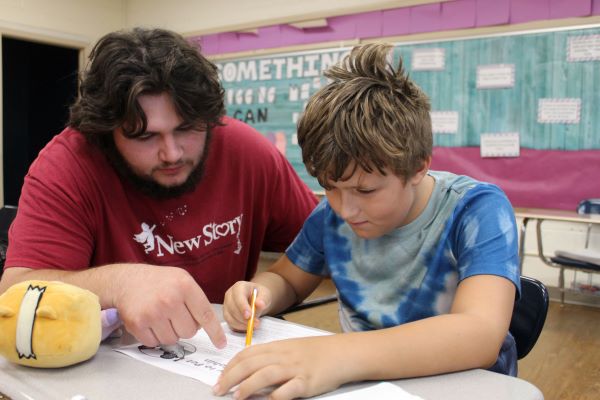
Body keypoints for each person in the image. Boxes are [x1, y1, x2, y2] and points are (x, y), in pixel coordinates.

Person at [216, 43, 520, 400]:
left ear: (418, 167)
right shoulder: (329, 217)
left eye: (367, 190)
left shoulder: (476, 209)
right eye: (330, 187)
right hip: (366, 385)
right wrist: (259, 293)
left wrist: (339, 355)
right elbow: (287, 279)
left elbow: (480, 333)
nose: (346, 210)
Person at [0, 28, 317, 349]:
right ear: (105, 132)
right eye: (145, 136)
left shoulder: (246, 151)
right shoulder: (68, 165)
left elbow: (324, 242)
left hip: (220, 356)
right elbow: (15, 294)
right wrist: (119, 283)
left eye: (187, 128)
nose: (172, 153)